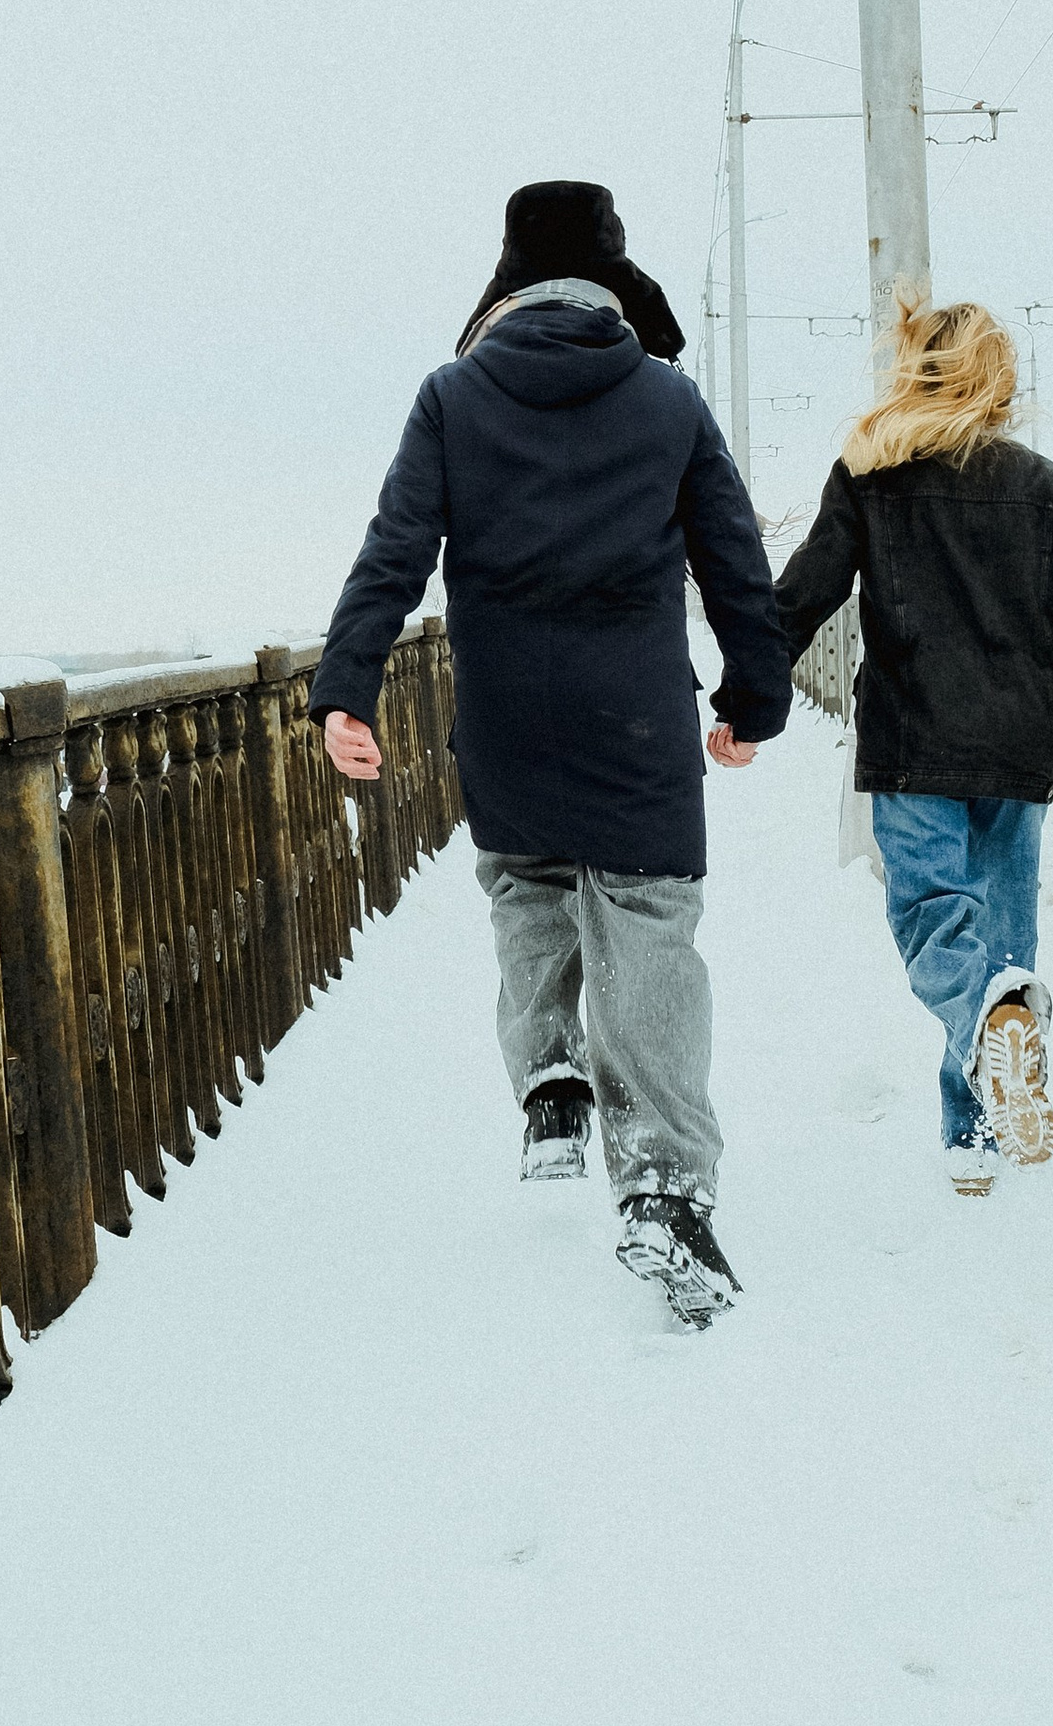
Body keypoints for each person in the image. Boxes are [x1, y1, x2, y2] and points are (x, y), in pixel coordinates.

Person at [309, 180, 792, 1327]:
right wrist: (753, 698)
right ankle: (662, 1186)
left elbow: (393, 552)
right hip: (638, 720)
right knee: (649, 925)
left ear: (508, 281)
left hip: (507, 716)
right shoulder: (667, 399)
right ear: (611, 278)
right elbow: (734, 561)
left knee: (526, 888)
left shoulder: (452, 396)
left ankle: (550, 1080)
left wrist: (346, 690)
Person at [772, 298, 1053, 1193]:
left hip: (913, 745)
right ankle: (974, 1136)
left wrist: (746, 702)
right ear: (1002, 383)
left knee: (934, 921)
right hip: (1019, 755)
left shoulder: (871, 478)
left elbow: (800, 600)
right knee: (1002, 952)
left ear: (916, 374)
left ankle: (987, 1063)